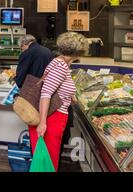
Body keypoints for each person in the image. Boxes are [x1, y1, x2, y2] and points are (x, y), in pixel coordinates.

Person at [29, 32, 86, 172]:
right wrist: (42, 123)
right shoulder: (61, 66)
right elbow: (46, 93)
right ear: (78, 52)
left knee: (46, 162)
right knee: (47, 163)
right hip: (51, 118)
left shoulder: (59, 62)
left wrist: (71, 96)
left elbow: (56, 87)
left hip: (53, 117)